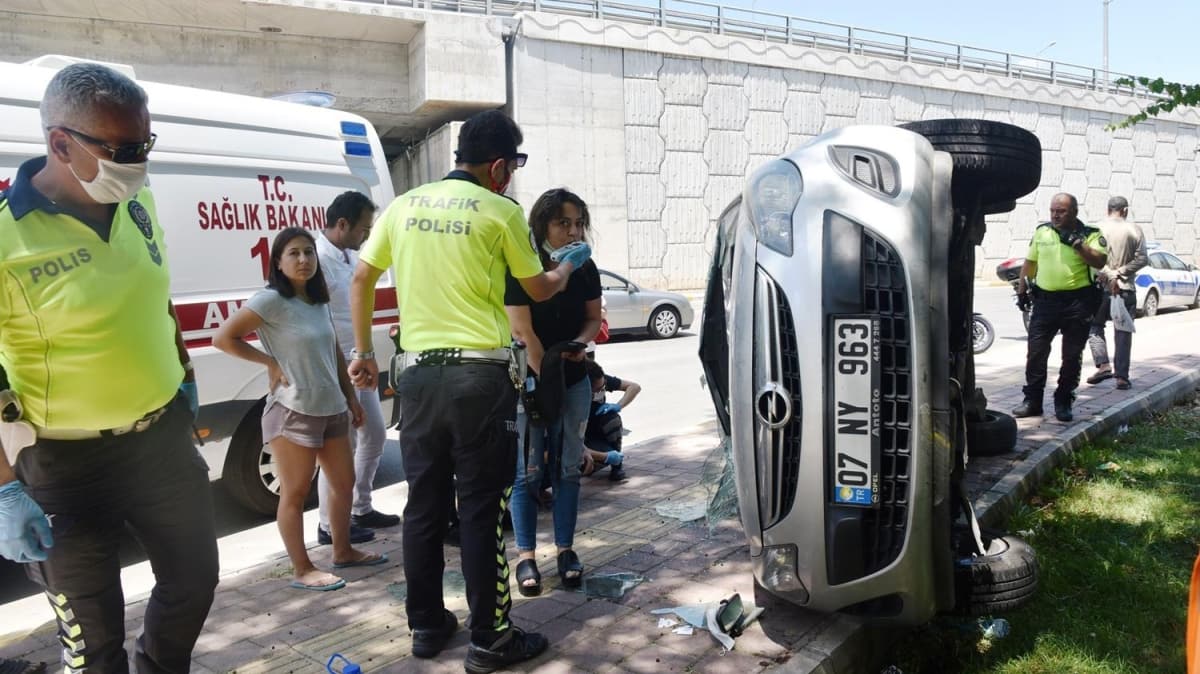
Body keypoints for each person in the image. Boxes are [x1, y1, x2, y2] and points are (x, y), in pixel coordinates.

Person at [347, 110, 590, 673]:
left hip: (417, 377)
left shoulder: (404, 205)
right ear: (499, 166)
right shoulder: (500, 209)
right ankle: (492, 638)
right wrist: (568, 266)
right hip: (479, 379)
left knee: (424, 506)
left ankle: (427, 625)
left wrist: (363, 356)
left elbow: (361, 278)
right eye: (515, 166)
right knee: (483, 508)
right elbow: (536, 287)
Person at [0, 62, 218, 672]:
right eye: (122, 149)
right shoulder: (5, 239)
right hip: (65, 469)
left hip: (162, 443)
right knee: (93, 643)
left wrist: (185, 377)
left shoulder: (137, 199)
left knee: (195, 584)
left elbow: (158, 295)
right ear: (59, 143)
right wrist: (3, 490)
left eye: (144, 145)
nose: (138, 163)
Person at [214, 227, 383, 592]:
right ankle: (302, 568)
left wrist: (351, 399)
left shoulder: (317, 300)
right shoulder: (270, 300)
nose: (304, 260)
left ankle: (343, 551)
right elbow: (223, 338)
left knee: (344, 482)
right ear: (278, 261)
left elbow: (334, 351)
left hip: (332, 407)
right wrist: (269, 363)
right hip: (292, 411)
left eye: (308, 252)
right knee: (294, 492)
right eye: (294, 253)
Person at [505, 188, 602, 600]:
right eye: (563, 223)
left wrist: (579, 346)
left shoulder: (585, 267)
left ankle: (566, 549)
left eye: (578, 223)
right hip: (528, 380)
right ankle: (525, 555)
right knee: (526, 473)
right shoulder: (522, 267)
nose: (572, 231)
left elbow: (593, 319)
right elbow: (521, 331)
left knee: (567, 468)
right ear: (542, 224)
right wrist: (547, 376)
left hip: (573, 377)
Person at [314, 191, 398, 545]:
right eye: (364, 228)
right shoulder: (315, 259)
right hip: (334, 369)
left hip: (358, 363)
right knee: (338, 449)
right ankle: (329, 524)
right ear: (343, 224)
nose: (367, 235)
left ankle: (360, 506)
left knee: (375, 435)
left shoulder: (350, 256)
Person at [1013, 193, 1108, 422]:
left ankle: (1064, 400)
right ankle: (1032, 401)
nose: (1055, 215)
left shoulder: (1090, 234)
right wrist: (1022, 289)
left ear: (1074, 212)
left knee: (1072, 355)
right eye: (1053, 210)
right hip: (1045, 302)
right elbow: (1031, 262)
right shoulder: (1042, 231)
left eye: (1061, 211)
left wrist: (1077, 244)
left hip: (1078, 303)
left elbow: (1099, 261)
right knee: (1036, 352)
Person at [1086, 196, 1148, 392]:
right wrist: (1119, 273)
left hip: (1100, 288)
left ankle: (1103, 365)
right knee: (1123, 333)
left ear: (1108, 210)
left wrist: (1107, 274)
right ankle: (1121, 377)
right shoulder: (1134, 230)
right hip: (1125, 288)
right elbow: (1143, 259)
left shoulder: (1095, 229)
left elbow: (1089, 258)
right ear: (1125, 211)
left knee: (1094, 326)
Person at [581, 359, 641, 481]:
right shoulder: (573, 398)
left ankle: (617, 465)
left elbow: (634, 387)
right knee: (583, 464)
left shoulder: (601, 380)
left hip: (598, 431)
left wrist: (618, 406)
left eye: (603, 387)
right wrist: (602, 456)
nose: (602, 391)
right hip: (580, 437)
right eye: (597, 390)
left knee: (612, 419)